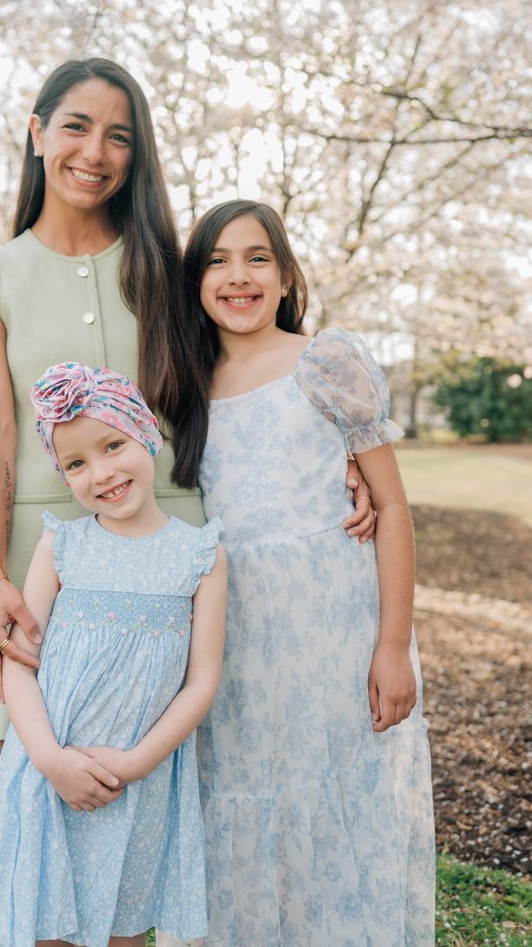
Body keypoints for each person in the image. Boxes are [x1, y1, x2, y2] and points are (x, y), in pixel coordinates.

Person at [0, 58, 375, 740]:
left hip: (174, 535)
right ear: (37, 133)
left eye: (119, 136)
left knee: (179, 753)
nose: (95, 152)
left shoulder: (172, 270)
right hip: (41, 548)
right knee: (47, 753)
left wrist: (336, 452)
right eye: (76, 127)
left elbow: (242, 370)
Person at [168, 200, 436, 946]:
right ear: (196, 282)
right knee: (244, 796)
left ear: (286, 276)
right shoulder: (184, 383)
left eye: (257, 258)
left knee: (335, 797)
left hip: (333, 634)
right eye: (217, 261)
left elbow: (393, 508)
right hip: (234, 638)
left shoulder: (326, 361)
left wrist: (392, 646)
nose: (238, 276)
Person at [0, 362, 227, 947]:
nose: (102, 473)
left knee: (122, 924)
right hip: (50, 766)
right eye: (76, 464)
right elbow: (20, 666)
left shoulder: (200, 556)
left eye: (113, 445)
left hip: (135, 780)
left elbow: (201, 681)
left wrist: (135, 763)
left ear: (147, 433)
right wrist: (48, 759)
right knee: (43, 922)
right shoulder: (61, 545)